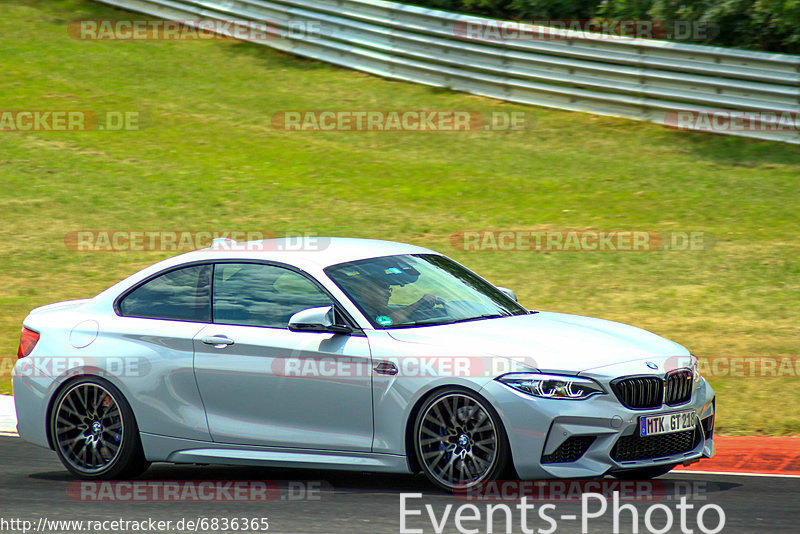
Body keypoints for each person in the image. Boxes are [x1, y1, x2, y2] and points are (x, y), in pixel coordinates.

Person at [342, 273, 442, 325]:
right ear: (365, 292)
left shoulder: (378, 311)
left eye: (389, 289)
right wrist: (419, 303)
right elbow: (387, 323)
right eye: (383, 288)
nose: (389, 294)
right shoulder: (359, 314)